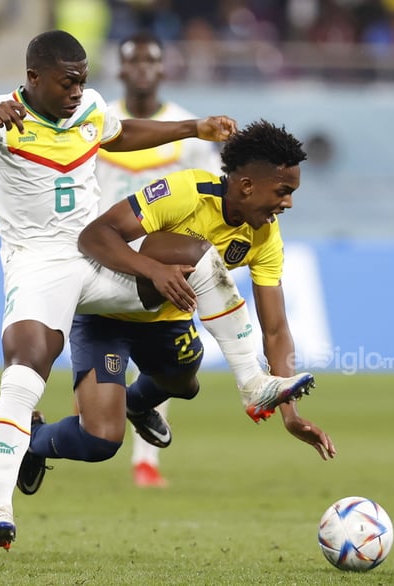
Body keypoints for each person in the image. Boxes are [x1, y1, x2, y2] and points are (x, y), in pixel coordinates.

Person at [0, 29, 313, 554]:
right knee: (22, 379)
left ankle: (253, 385)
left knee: (197, 259)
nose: (78, 91)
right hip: (38, 267)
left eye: (83, 81)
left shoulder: (90, 109)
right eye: (67, 82)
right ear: (33, 78)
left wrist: (192, 127)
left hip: (96, 259)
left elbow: (119, 132)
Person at [19, 120, 335, 499]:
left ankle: (136, 404)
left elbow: (275, 329)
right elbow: (94, 235)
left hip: (166, 322)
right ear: (247, 186)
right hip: (107, 318)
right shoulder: (186, 191)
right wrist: (152, 269)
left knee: (185, 385)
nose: (289, 203)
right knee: (100, 441)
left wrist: (291, 415)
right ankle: (33, 438)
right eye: (284, 191)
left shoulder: (265, 236)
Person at [94, 31, 224, 488]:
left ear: (164, 69)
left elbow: (208, 194)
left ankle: (145, 460)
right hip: (102, 251)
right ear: (122, 69)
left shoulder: (189, 130)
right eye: (135, 61)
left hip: (159, 257)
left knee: (163, 356)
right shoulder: (99, 121)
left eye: (153, 60)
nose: (144, 69)